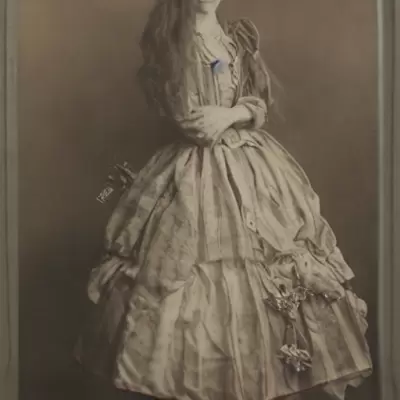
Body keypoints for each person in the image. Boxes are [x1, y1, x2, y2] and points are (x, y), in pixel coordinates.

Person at [75, 0, 372, 399]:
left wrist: (232, 115)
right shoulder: (174, 42)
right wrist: (227, 116)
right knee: (191, 279)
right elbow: (194, 124)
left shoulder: (235, 39)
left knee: (273, 263)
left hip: (254, 168)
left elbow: (256, 103)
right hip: (195, 173)